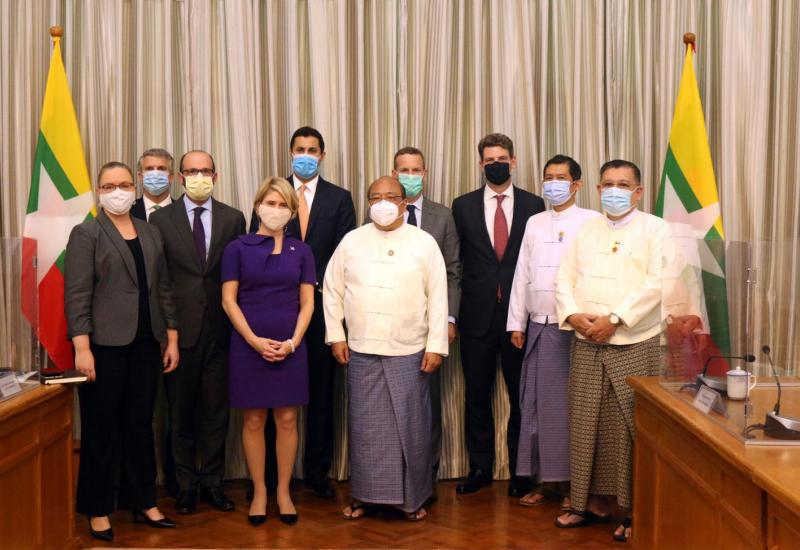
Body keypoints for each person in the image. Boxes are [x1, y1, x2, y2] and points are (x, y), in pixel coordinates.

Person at [65, 161, 179, 542]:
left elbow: (164, 288)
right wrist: (82, 347)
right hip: (103, 347)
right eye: (110, 186)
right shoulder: (87, 233)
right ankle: (98, 509)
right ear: (99, 192)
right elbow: (77, 294)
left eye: (125, 184)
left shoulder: (150, 231)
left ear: (135, 187)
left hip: (147, 344)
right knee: (101, 429)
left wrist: (171, 338)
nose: (119, 191)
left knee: (140, 425)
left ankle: (143, 500)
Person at [323, 176, 449, 521]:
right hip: (362, 349)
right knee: (366, 430)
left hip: (409, 349)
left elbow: (439, 298)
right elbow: (331, 290)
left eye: (390, 196)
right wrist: (336, 336)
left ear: (404, 202)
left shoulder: (423, 242)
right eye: (375, 197)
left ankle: (412, 500)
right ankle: (365, 497)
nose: (382, 203)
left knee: (411, 428)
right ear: (367, 203)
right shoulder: (352, 240)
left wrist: (435, 346)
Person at [554, 159, 667, 543]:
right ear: (598, 189)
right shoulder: (586, 229)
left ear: (638, 191)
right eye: (607, 184)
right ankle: (588, 503)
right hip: (586, 338)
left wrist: (615, 319)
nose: (614, 191)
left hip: (635, 340)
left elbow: (657, 284)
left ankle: (636, 511)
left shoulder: (656, 229)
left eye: (623, 184)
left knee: (630, 428)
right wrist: (573, 314)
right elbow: (564, 278)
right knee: (587, 425)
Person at [248, 127, 356, 499]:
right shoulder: (274, 195)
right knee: (272, 395)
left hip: (323, 309)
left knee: (322, 394)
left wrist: (310, 281)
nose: (306, 155)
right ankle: (270, 478)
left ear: (322, 155)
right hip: (275, 312)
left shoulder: (340, 198)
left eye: (312, 149)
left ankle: (317, 473)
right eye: (300, 149)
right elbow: (256, 247)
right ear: (290, 152)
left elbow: (345, 252)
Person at [150, 150, 247, 514]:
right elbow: (161, 281)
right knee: (181, 414)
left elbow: (239, 275)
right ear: (180, 177)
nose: (199, 177)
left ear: (216, 176)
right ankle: (185, 485)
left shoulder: (233, 218)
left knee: (217, 413)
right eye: (191, 171)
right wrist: (169, 332)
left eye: (205, 171)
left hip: (221, 331)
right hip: (179, 332)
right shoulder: (161, 220)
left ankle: (213, 483)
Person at [451, 133, 545, 496]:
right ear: (480, 164)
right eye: (489, 160)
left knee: (522, 396)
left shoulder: (534, 205)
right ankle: (480, 468)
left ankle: (522, 471)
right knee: (476, 395)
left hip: (520, 318)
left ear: (514, 161)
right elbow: (458, 262)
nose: (496, 164)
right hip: (476, 316)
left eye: (502, 158)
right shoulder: (463, 206)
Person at [506, 155, 601, 510]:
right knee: (536, 407)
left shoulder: (592, 221)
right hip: (538, 325)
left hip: (574, 330)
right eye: (548, 177)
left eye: (561, 177)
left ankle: (575, 486)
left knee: (568, 410)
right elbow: (522, 272)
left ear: (576, 184)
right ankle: (546, 482)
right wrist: (516, 322)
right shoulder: (534, 221)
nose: (553, 183)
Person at [221, 177, 315, 526]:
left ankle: (283, 492)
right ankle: (260, 491)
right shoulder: (236, 248)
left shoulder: (301, 251)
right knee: (254, 419)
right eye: (270, 203)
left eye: (283, 205)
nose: (275, 210)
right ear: (257, 205)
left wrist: (293, 342)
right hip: (249, 345)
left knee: (288, 419)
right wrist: (254, 340)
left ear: (292, 211)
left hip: (291, 345)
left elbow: (308, 303)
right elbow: (228, 301)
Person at [391, 146, 461, 493]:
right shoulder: (381, 212)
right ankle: (394, 474)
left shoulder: (442, 216)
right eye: (403, 170)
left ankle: (426, 477)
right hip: (392, 326)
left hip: (430, 325)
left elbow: (453, 271)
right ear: (394, 174)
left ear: (425, 174)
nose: (410, 176)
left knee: (427, 402)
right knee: (391, 404)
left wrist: (448, 320)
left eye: (415, 170)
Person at [132, 148, 174, 221]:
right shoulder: (129, 211)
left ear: (171, 177)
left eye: (161, 168)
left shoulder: (184, 210)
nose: (155, 174)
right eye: (149, 169)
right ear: (141, 177)